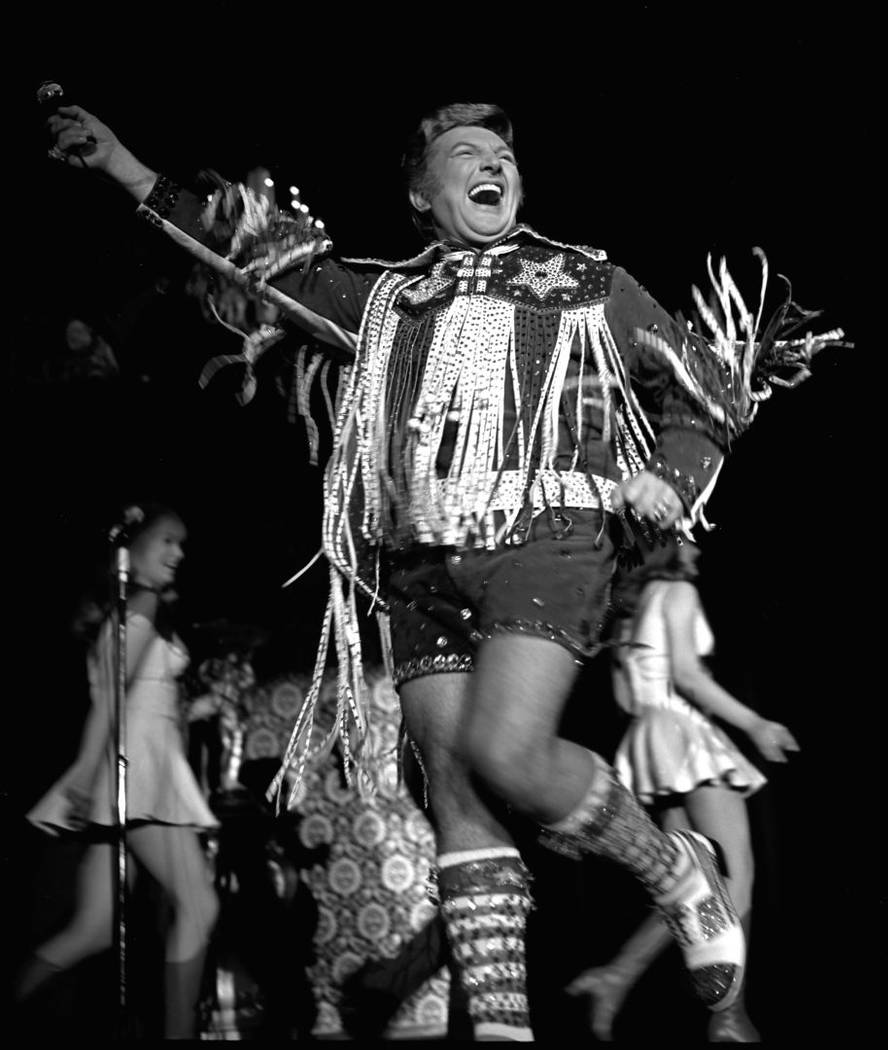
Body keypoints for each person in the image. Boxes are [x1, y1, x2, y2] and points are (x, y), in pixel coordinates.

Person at [45, 100, 842, 1041]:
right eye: (466, 153)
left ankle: (674, 869)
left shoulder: (584, 280)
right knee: (457, 793)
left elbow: (701, 380)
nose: (490, 163)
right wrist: (126, 170)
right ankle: (503, 1028)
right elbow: (243, 256)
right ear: (422, 194)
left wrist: (671, 477)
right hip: (417, 558)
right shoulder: (384, 301)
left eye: (503, 154)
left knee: (509, 754)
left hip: (550, 535)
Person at [567, 536, 799, 1040]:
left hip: (648, 742)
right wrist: (755, 723)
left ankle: (616, 976)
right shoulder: (678, 593)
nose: (696, 553)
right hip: (684, 736)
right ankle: (729, 1016)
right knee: (738, 874)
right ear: (667, 550)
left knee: (688, 884)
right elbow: (689, 677)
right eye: (688, 544)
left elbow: (627, 697)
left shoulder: (626, 612)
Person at [18, 502, 219, 1039]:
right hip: (137, 777)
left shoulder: (124, 611)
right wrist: (85, 778)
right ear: (130, 548)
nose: (178, 554)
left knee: (92, 929)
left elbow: (133, 698)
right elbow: (110, 703)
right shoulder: (144, 605)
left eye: (183, 544)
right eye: (167, 541)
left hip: (126, 772)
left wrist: (190, 710)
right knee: (199, 906)